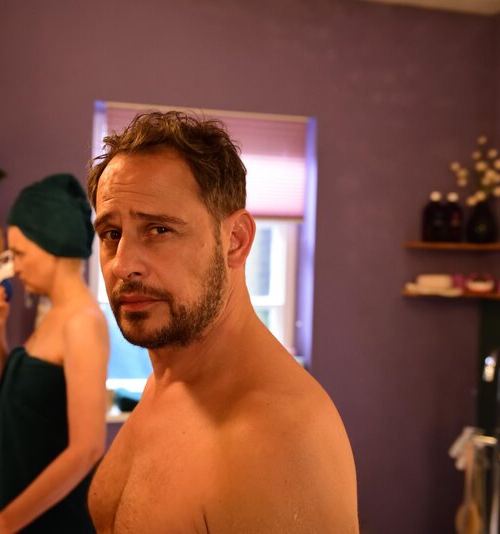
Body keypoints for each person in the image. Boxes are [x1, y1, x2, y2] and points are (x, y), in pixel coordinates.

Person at [86, 111, 359, 532]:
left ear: (236, 241)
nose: (122, 265)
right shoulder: (170, 374)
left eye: (158, 230)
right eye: (111, 234)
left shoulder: (280, 438)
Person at [0, 173, 110, 534]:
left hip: (55, 522)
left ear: (52, 245)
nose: (15, 267)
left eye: (20, 254)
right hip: (27, 516)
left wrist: (5, 522)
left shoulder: (82, 323)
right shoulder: (53, 314)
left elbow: (88, 448)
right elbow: (9, 399)